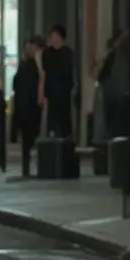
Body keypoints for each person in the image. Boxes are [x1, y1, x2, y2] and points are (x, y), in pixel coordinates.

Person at [11, 36, 43, 175]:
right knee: (28, 139)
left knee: (28, 139)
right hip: (28, 107)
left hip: (30, 107)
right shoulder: (27, 67)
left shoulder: (31, 66)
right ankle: (27, 167)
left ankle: (27, 167)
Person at [39, 24, 77, 139]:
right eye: (52, 36)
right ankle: (52, 134)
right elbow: (44, 73)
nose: (53, 39)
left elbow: (70, 72)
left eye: (56, 36)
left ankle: (66, 136)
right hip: (51, 90)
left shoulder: (68, 53)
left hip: (64, 90)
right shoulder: (47, 53)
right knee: (52, 116)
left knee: (65, 116)